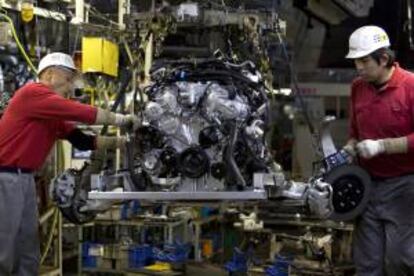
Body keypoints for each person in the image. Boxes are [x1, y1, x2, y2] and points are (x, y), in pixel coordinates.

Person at [0, 52, 139, 275]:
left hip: (24, 180)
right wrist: (120, 119)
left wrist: (122, 142)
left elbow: (81, 140)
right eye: (67, 80)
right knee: (4, 247)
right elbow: (79, 112)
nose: (69, 89)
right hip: (5, 177)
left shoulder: (50, 113)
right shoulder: (32, 93)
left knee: (28, 248)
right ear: (50, 74)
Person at [343, 25, 414, 275]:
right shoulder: (358, 87)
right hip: (367, 185)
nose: (359, 68)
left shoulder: (410, 86)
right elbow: (354, 131)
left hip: (405, 187)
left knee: (401, 261)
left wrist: (383, 146)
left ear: (383, 58)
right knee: (367, 264)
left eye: (364, 61)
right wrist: (349, 149)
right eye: (355, 62)